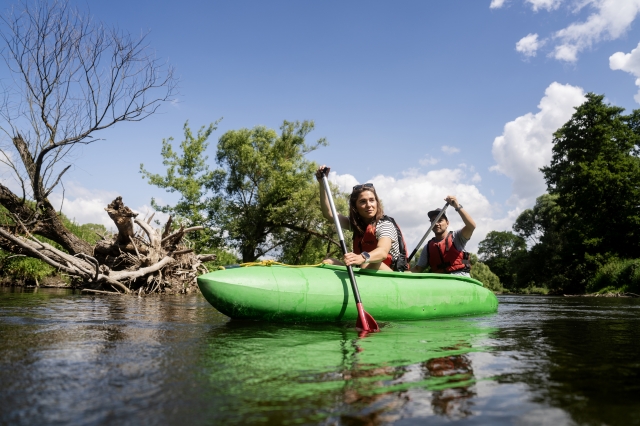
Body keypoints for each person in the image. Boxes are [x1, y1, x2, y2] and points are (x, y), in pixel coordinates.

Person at [316, 165, 409, 272]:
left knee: (367, 264)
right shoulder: (358, 225)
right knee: (328, 262)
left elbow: (383, 252)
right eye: (363, 202)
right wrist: (322, 183)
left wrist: (362, 257)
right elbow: (329, 214)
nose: (369, 205)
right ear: (355, 207)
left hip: (391, 274)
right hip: (365, 269)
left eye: (372, 200)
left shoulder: (384, 224)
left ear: (377, 202)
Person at [410, 196, 476, 276]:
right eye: (433, 221)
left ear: (447, 223)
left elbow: (471, 226)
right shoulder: (427, 248)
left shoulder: (457, 236)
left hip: (460, 279)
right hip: (441, 282)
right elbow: (417, 269)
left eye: (440, 220)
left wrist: (457, 207)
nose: (436, 224)